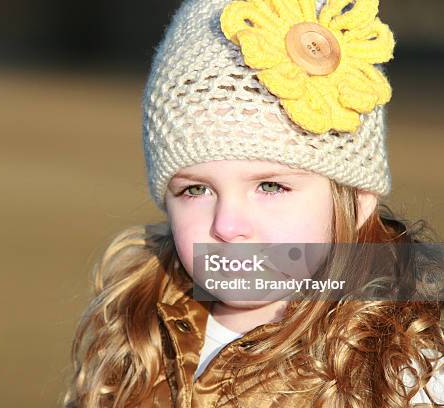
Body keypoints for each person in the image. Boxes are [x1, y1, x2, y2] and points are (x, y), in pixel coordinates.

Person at [64, 0, 443, 406]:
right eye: (195, 190)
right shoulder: (136, 340)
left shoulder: (409, 370)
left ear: (357, 200)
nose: (227, 225)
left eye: (271, 186)